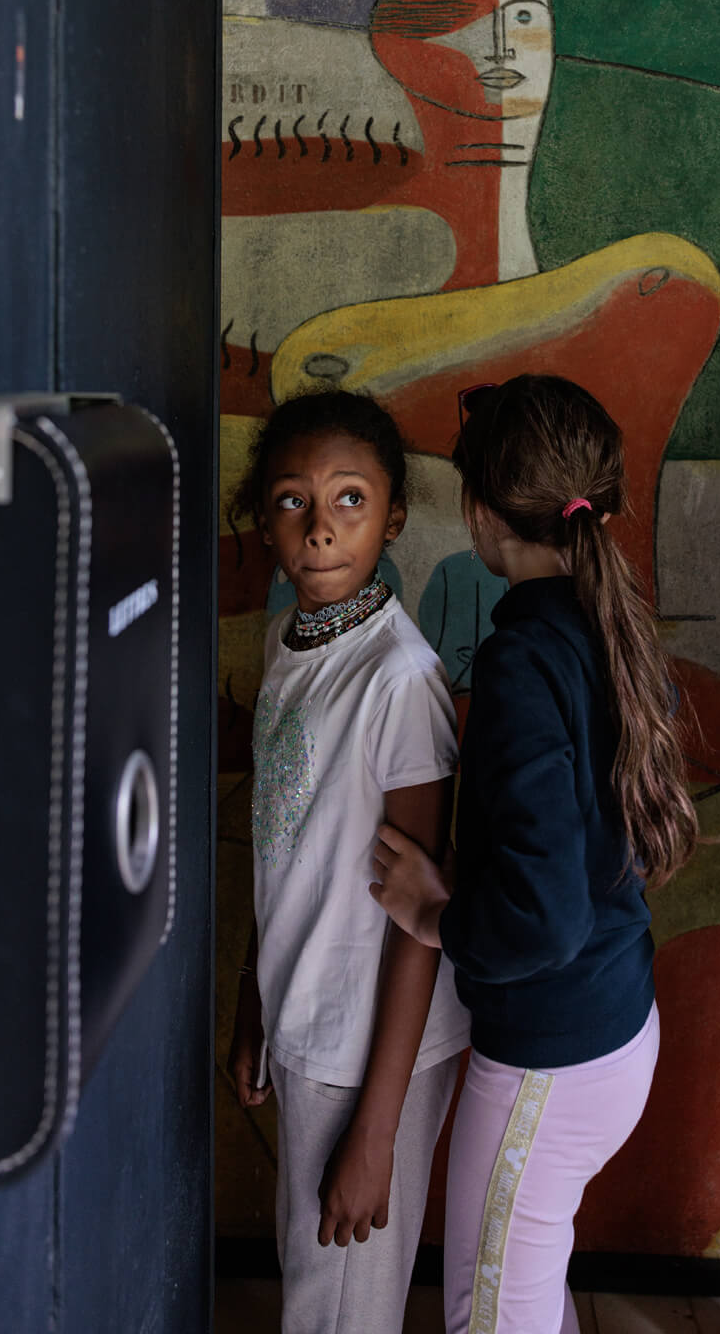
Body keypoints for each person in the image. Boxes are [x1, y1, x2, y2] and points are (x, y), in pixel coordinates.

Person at [369, 373, 698, 1334]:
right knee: (519, 1293)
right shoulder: (607, 623)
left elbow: (539, 915)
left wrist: (433, 913)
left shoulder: (519, 659)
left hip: (549, 1069)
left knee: (489, 1314)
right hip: (607, 1032)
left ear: (479, 510)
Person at [226, 387, 469, 1334]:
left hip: (374, 1049)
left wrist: (377, 1128)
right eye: (293, 501)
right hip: (304, 1017)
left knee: (340, 1311)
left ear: (394, 517)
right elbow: (287, 846)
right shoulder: (289, 640)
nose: (320, 529)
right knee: (315, 1290)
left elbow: (420, 922)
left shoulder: (397, 680)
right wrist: (255, 998)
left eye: (349, 501)